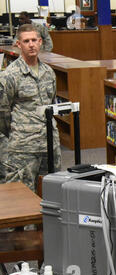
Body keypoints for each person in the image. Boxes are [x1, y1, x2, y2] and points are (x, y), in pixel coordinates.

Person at [0, 24, 61, 193]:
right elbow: (3, 112)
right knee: (21, 196)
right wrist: (16, 132)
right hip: (23, 147)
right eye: (26, 41)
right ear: (19, 45)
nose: (31, 44)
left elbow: (51, 102)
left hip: (49, 143)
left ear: (41, 42)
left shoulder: (49, 72)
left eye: (34, 40)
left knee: (52, 195)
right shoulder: (10, 75)